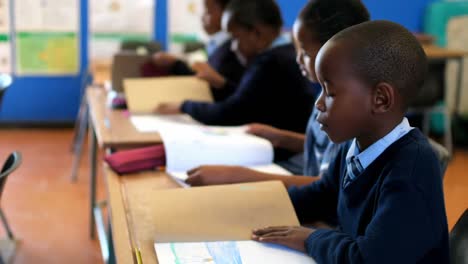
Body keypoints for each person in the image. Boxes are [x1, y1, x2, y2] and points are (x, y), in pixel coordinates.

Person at [252, 20, 449, 263]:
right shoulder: (354, 144)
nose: (319, 104)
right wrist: (258, 206)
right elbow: (323, 195)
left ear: (380, 99)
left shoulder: (412, 168)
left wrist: (309, 239)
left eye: (330, 92)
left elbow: (368, 259)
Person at [185, 0, 370, 187]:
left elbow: (329, 189)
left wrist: (240, 176)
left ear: (333, 51)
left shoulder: (346, 109)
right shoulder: (325, 95)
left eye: (304, 52)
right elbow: (323, 148)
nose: (298, 59)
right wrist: (282, 138)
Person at [155, 0, 314, 134]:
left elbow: (232, 113)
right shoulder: (283, 53)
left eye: (236, 38)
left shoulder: (270, 62)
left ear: (256, 33)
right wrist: (223, 84)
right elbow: (250, 102)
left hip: (283, 154)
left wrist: (184, 106)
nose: (233, 47)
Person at [153, 0, 245, 101]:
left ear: (227, 15)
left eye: (209, 11)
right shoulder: (218, 45)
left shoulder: (233, 49)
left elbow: (211, 88)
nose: (202, 17)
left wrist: (176, 64)